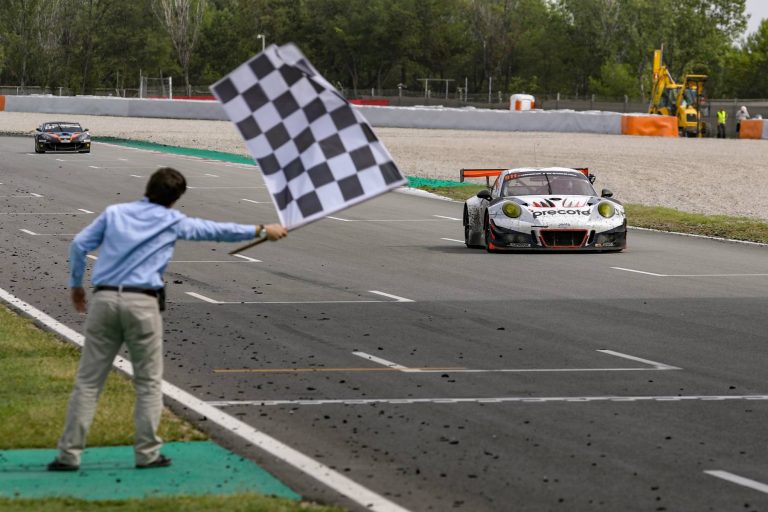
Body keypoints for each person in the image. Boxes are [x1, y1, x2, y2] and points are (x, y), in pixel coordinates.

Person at [48, 167, 287, 471]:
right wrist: (262, 230)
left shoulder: (115, 212)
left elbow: (79, 244)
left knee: (88, 382)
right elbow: (216, 230)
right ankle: (147, 453)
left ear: (148, 187)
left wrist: (76, 286)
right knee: (148, 382)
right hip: (143, 302)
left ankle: (68, 455)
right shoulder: (174, 221)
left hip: (105, 299)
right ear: (176, 199)